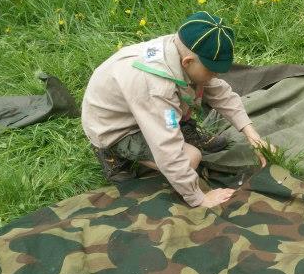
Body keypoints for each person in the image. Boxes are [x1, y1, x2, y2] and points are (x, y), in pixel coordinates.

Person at [81, 11, 272, 208]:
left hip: (142, 108)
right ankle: (112, 154)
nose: (216, 74)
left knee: (198, 89)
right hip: (116, 128)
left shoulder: (179, 49)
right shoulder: (157, 87)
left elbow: (221, 93)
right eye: (212, 69)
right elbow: (166, 147)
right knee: (191, 157)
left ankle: (183, 129)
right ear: (188, 62)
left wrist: (253, 136)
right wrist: (199, 198)